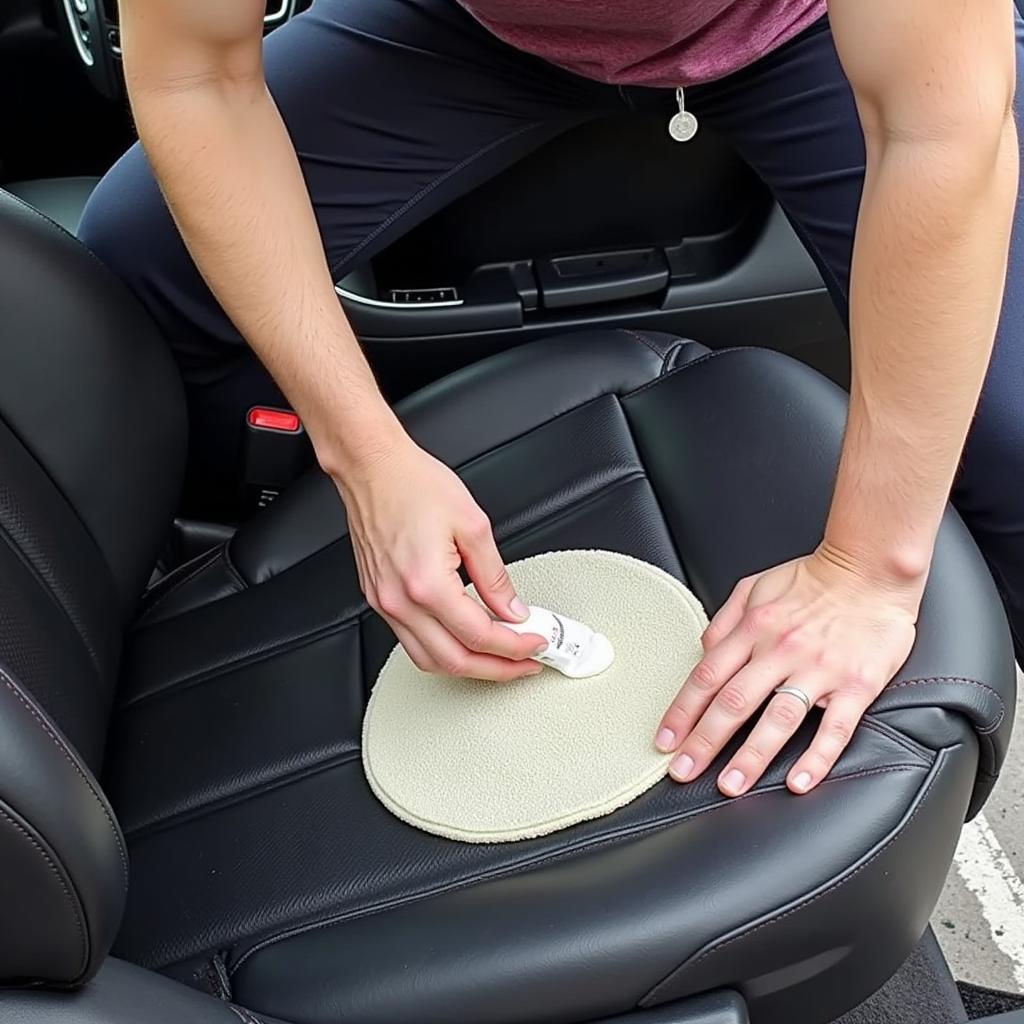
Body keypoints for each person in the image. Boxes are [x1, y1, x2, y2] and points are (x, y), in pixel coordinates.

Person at [79, 0, 1021, 800]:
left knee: (1009, 439)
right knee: (134, 271)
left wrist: (868, 570)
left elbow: (938, 128)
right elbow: (195, 77)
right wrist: (363, 455)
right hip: (479, 25)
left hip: (791, 26)